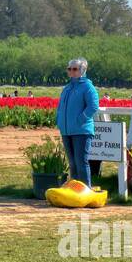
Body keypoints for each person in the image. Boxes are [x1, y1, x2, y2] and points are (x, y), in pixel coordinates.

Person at [56, 57, 100, 186]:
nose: (71, 71)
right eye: (69, 69)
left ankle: (86, 188)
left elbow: (93, 106)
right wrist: (58, 120)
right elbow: (60, 107)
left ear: (83, 70)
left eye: (74, 69)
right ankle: (74, 188)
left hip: (81, 130)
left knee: (81, 162)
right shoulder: (67, 88)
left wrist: (80, 120)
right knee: (72, 163)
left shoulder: (88, 87)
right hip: (66, 130)